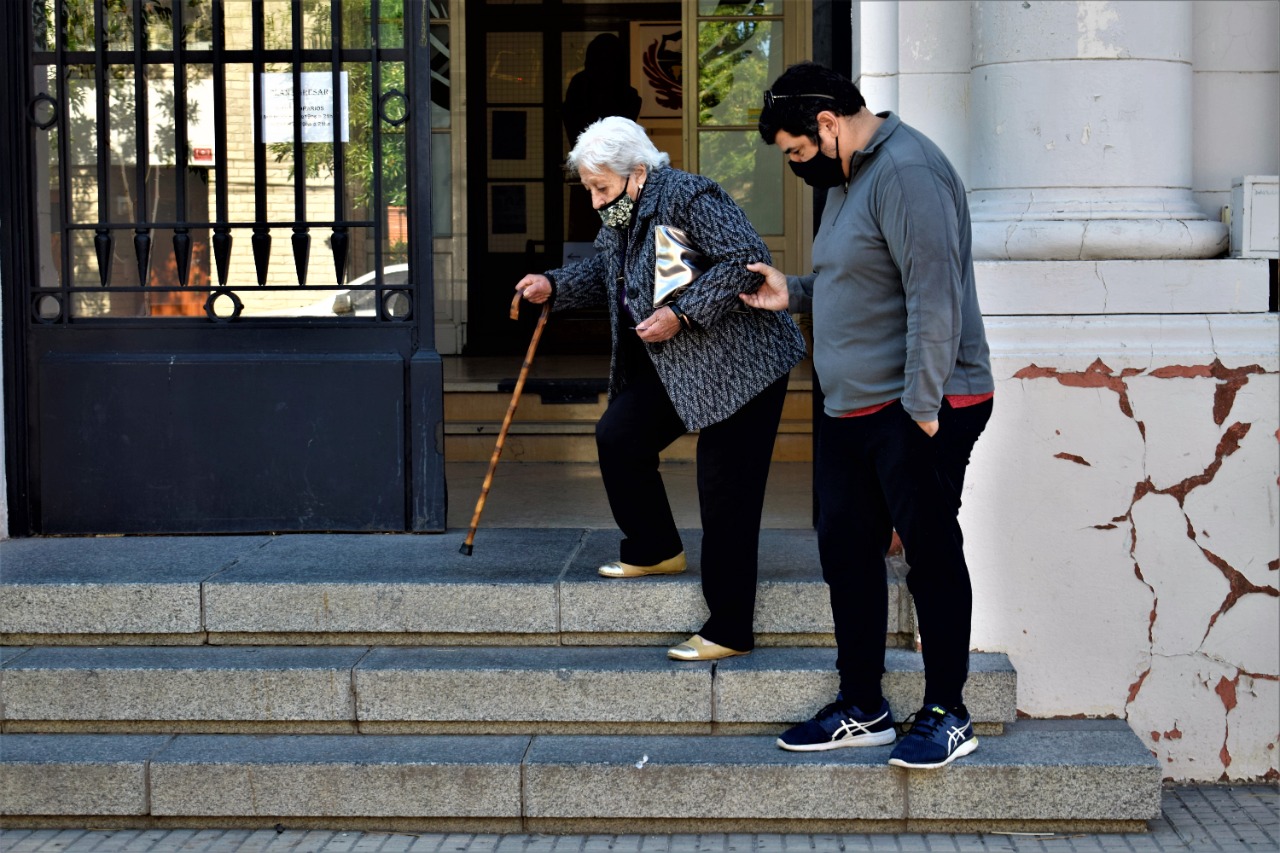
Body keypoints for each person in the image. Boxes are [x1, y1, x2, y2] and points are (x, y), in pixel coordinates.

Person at [741, 62, 994, 769]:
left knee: (930, 554)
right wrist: (791, 290)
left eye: (795, 151)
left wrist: (920, 410)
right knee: (846, 551)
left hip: (918, 404)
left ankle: (948, 710)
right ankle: (865, 706)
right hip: (853, 406)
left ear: (827, 125)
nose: (796, 166)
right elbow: (861, 279)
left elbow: (934, 296)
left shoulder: (907, 171)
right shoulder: (850, 179)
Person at [516, 116, 807, 662]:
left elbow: (745, 261)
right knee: (620, 435)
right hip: (683, 364)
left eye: (602, 188)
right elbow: (605, 270)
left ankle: (729, 628)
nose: (597, 201)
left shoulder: (690, 197)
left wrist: (681, 314)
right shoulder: (624, 213)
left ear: (639, 173)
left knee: (726, 494)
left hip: (744, 364)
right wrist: (553, 283)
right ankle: (655, 548)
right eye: (589, 189)